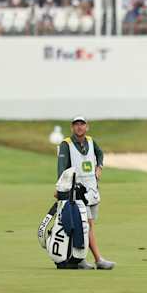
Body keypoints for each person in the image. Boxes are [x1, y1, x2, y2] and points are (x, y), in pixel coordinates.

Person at [56, 116, 115, 270]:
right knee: (87, 226)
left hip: (92, 191)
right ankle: (98, 259)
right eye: (76, 125)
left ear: (86, 127)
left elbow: (100, 154)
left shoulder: (90, 141)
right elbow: (61, 169)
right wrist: (60, 188)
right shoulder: (66, 144)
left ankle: (79, 259)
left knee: (86, 226)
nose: (79, 127)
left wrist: (99, 167)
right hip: (76, 192)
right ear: (72, 127)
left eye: (82, 124)